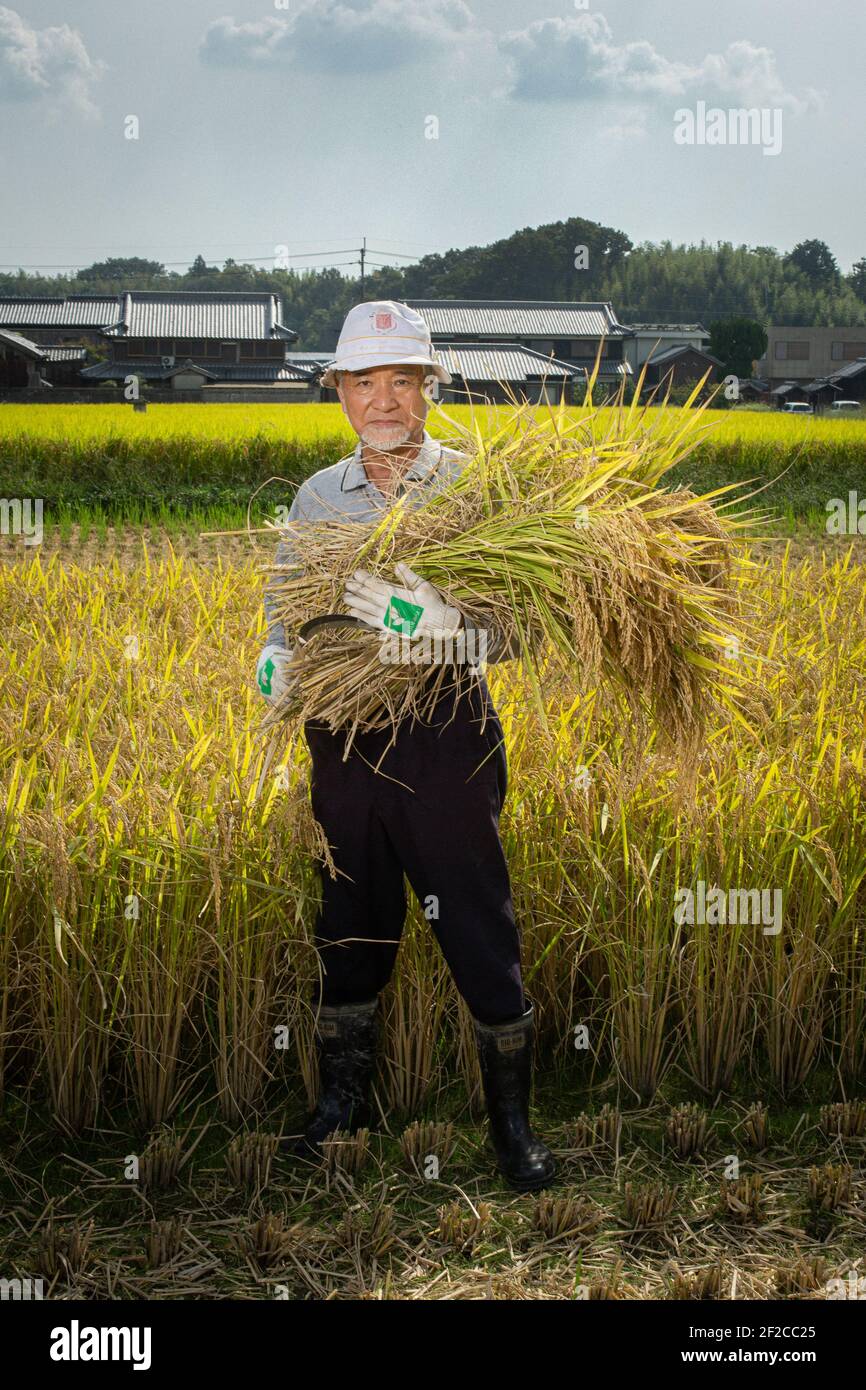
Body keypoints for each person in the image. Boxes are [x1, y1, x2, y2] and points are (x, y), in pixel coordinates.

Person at [257, 300, 555, 1191]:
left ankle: (512, 1127)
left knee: (475, 918)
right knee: (349, 920)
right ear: (340, 392)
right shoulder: (317, 496)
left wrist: (445, 627)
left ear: (428, 387)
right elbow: (286, 612)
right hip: (341, 743)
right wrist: (274, 657)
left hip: (446, 740)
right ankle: (339, 1105)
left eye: (400, 380)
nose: (381, 399)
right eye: (363, 381)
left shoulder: (474, 489)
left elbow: (524, 633)